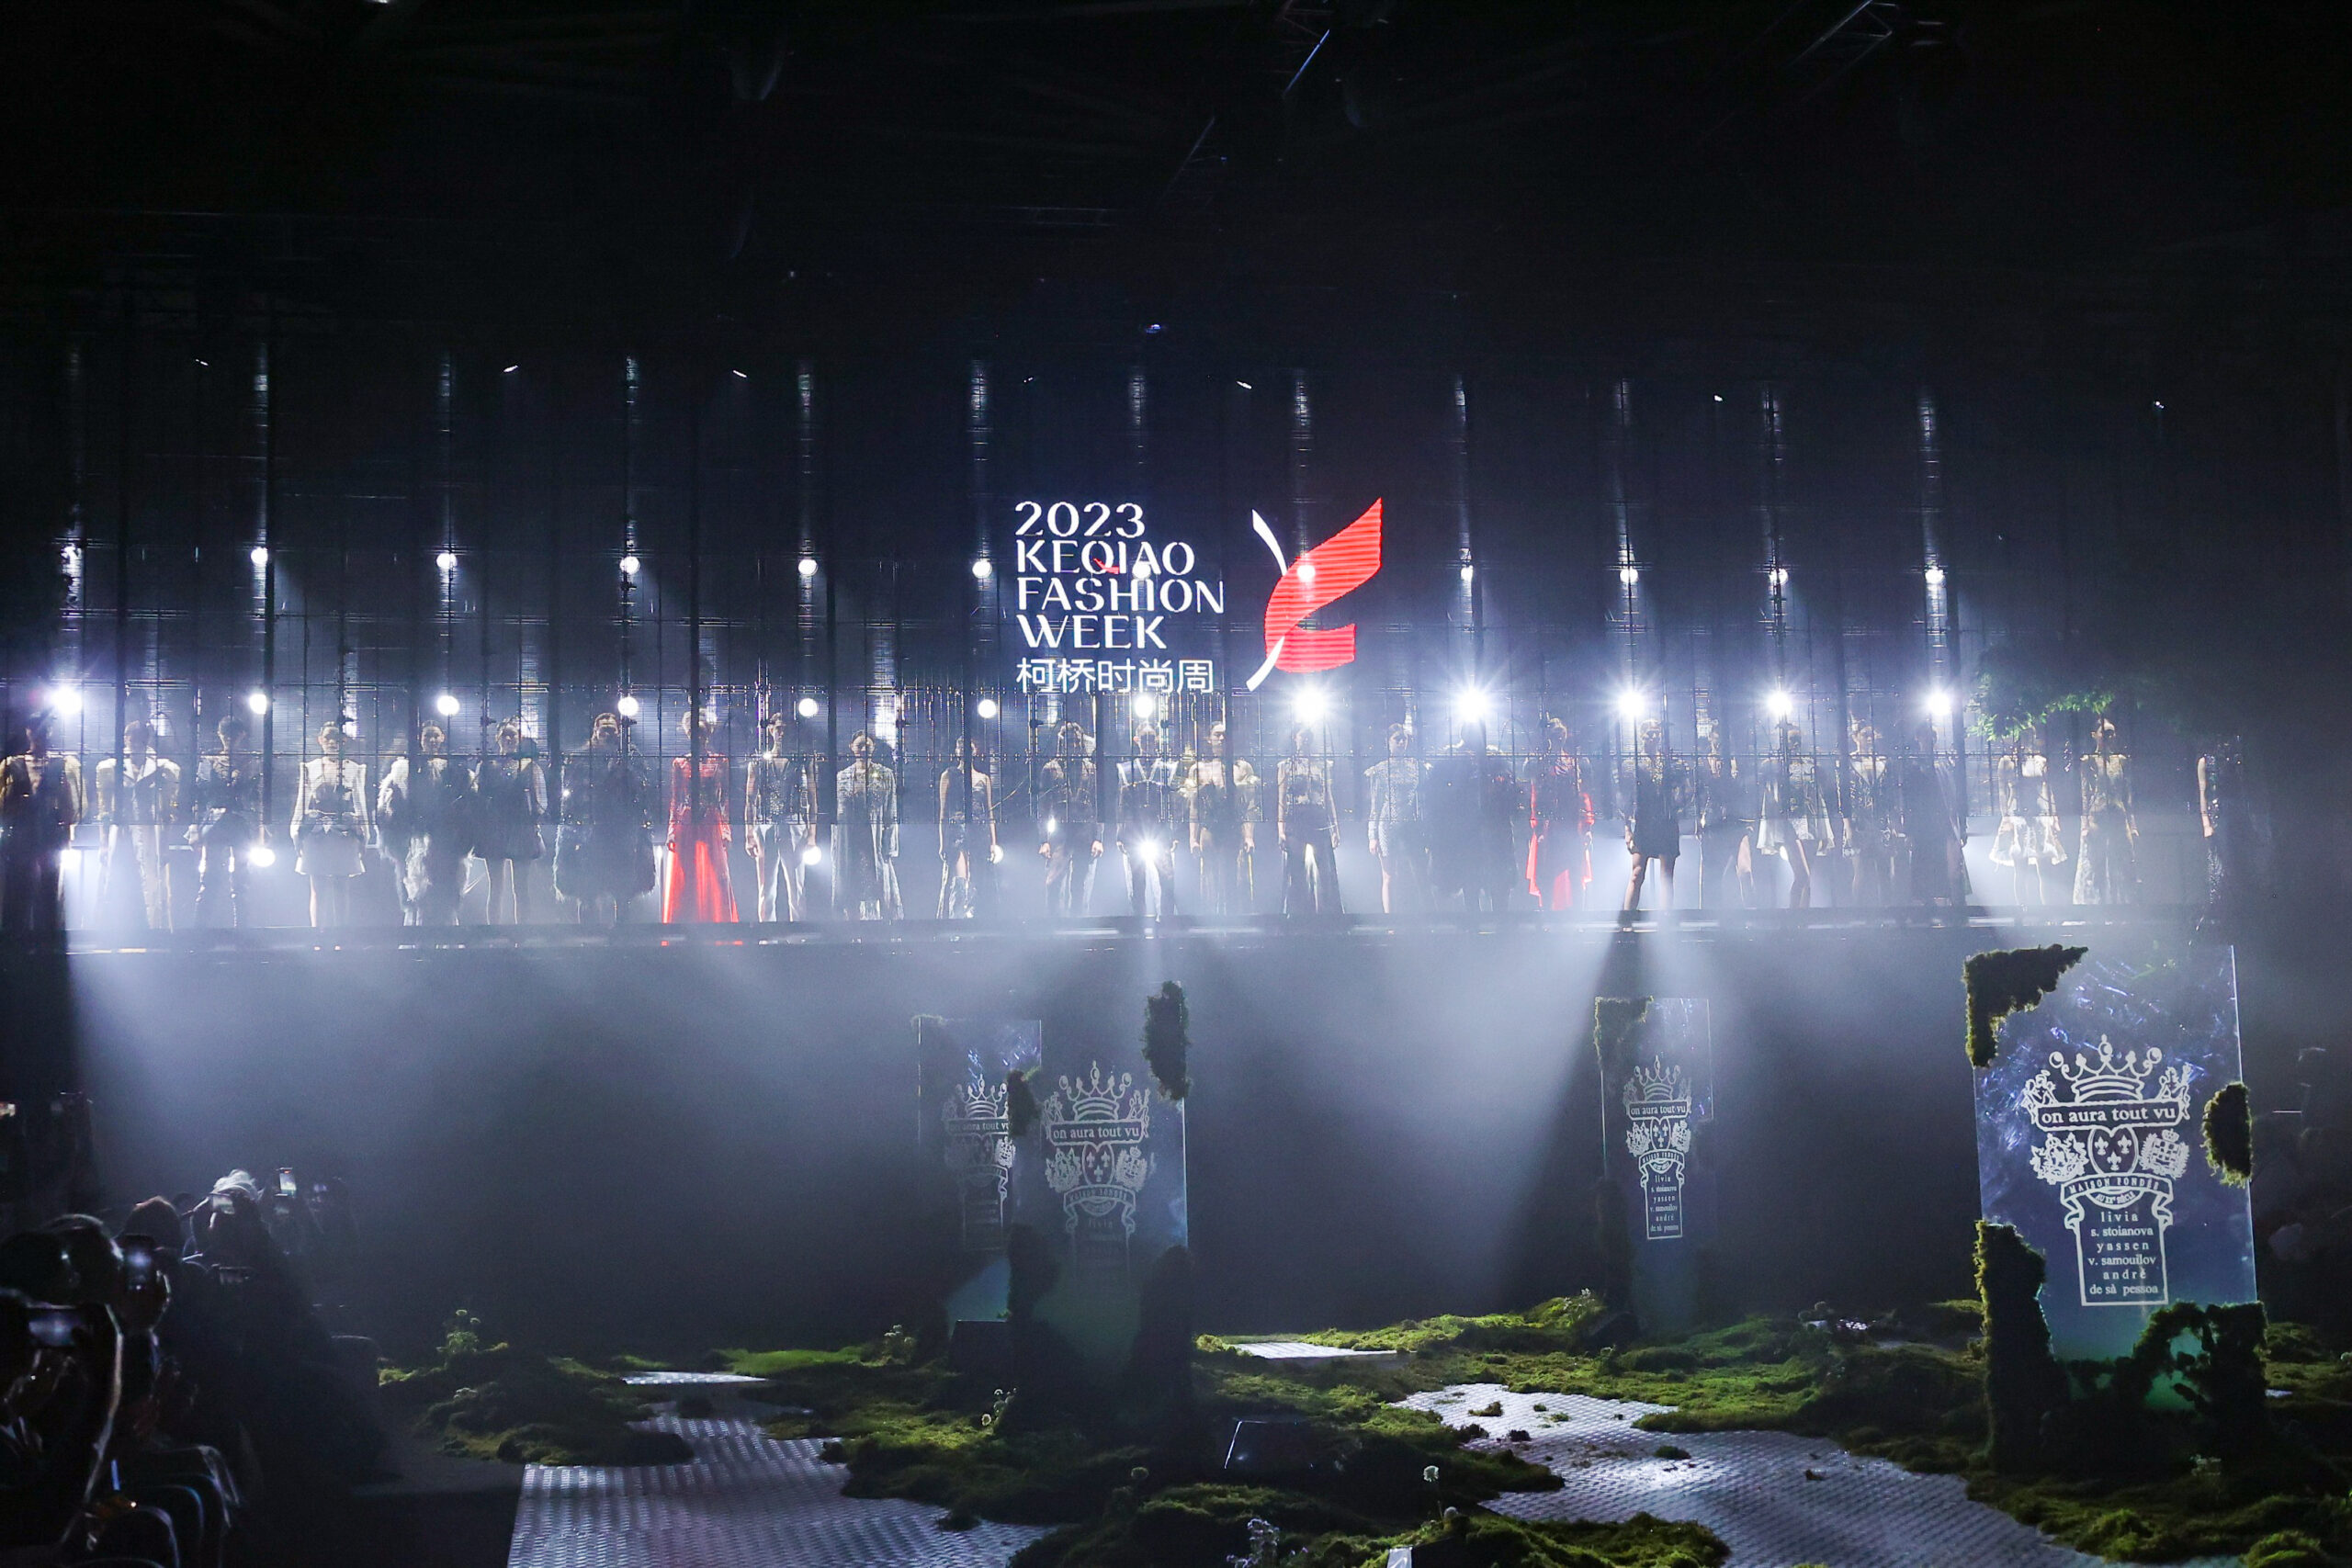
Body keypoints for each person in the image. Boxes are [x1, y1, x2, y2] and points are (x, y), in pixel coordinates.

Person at [379, 723, 473, 925]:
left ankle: (448, 933)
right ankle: (415, 933)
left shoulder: (455, 771)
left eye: (435, 736)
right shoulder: (404, 770)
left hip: (445, 841)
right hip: (415, 839)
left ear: (442, 738)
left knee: (446, 890)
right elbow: (392, 808)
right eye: (427, 736)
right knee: (415, 890)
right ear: (420, 739)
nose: (432, 740)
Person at [94, 719, 180, 931]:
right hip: (120, 831)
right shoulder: (110, 768)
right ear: (125, 739)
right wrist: (103, 842)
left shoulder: (163, 768)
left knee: (152, 881)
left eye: (140, 740)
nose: (135, 744)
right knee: (117, 879)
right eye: (131, 740)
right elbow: (104, 809)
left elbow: (167, 811)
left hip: (150, 831)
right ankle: (112, 930)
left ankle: (154, 930)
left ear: (146, 741)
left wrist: (165, 843)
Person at [0, 719, 85, 933]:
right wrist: (15, 802)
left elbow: (71, 806)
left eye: (44, 730)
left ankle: (48, 936)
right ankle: (15, 937)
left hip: (49, 834)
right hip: (21, 835)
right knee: (18, 885)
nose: (40, 735)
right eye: (36, 730)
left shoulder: (62, 765)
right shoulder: (12, 764)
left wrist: (66, 828)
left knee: (49, 886)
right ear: (28, 732)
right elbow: (3, 804)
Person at [188, 714, 264, 929]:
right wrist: (194, 828)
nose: (229, 739)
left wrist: (261, 828)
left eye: (233, 734)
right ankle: (201, 930)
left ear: (242, 735)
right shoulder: (208, 761)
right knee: (210, 876)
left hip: (241, 822)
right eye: (225, 734)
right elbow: (199, 796)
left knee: (241, 878)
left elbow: (257, 798)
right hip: (215, 822)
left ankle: (242, 930)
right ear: (220, 735)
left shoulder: (251, 762)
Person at [291, 723, 370, 928]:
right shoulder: (310, 767)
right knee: (317, 887)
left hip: (343, 831)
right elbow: (301, 801)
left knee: (341, 886)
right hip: (316, 831)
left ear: (344, 742)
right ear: (320, 740)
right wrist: (295, 832)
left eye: (337, 739)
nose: (332, 743)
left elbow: (360, 803)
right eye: (328, 738)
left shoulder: (354, 769)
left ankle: (340, 937)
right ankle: (317, 935)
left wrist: (365, 836)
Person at [663, 712, 737, 923]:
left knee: (716, 874)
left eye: (702, 733)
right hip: (686, 821)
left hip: (711, 821)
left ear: (708, 733)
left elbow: (725, 799)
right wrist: (671, 829)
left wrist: (726, 829)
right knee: (686, 874)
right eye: (693, 733)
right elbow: (675, 799)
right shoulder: (679, 763)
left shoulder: (719, 761)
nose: (698, 738)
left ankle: (718, 922)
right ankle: (684, 922)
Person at [471, 720, 548, 924]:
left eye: (512, 735)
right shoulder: (486, 765)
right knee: (495, 887)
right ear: (498, 738)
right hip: (494, 829)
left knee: (521, 888)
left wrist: (534, 820)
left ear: (519, 738)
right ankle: (494, 931)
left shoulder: (530, 766)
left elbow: (540, 799)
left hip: (521, 828)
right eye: (504, 735)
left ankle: (521, 933)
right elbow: (478, 796)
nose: (508, 738)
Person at [747, 714, 814, 922]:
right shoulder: (758, 762)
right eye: (778, 728)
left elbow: (812, 798)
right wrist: (749, 833)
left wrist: (812, 834)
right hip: (766, 825)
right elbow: (750, 800)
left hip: (794, 824)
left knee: (796, 887)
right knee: (766, 887)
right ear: (770, 730)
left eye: (786, 729)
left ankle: (798, 933)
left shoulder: (802, 761)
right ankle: (767, 933)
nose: (782, 733)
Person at [1187, 721, 1258, 916]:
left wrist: (1249, 836)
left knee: (1233, 874)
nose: (1221, 739)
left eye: (1225, 735)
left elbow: (1250, 805)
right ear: (1209, 739)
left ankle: (1235, 916)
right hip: (1209, 827)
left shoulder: (1242, 768)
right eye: (1217, 735)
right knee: (1210, 875)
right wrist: (1193, 839)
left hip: (1233, 827)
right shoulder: (1199, 769)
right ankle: (1211, 917)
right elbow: (1194, 807)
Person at [1619, 717, 1687, 916]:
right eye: (1650, 733)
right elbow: (1624, 798)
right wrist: (1627, 829)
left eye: (1657, 733)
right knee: (1637, 873)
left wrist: (1677, 805)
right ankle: (1627, 919)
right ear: (1642, 736)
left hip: (1666, 822)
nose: (1654, 737)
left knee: (1666, 876)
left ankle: (1665, 919)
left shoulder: (1669, 763)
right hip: (1644, 823)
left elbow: (1684, 789)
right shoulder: (1633, 763)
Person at [1756, 719, 1827, 908]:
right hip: (1788, 825)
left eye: (1798, 739)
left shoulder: (1810, 765)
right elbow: (1767, 790)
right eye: (1791, 739)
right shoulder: (1775, 765)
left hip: (1810, 823)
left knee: (1806, 878)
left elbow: (1818, 796)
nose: (1795, 743)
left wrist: (1823, 828)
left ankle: (1803, 916)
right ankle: (1792, 915)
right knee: (1802, 875)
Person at [1989, 729, 2066, 904]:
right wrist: (2006, 817)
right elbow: (2002, 792)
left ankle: (2047, 909)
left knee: (2044, 867)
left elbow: (2048, 789)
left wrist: (2054, 815)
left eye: (2030, 735)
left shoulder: (2041, 761)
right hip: (2018, 816)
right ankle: (2022, 908)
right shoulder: (2007, 762)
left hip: (2039, 814)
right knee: (2020, 868)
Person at [1525, 716, 1593, 911]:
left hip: (1572, 824)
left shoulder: (1573, 762)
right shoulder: (1542, 762)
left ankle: (1579, 916)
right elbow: (1536, 795)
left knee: (1575, 870)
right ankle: (1547, 914)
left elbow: (1582, 794)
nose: (1559, 738)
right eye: (1556, 734)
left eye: (1562, 734)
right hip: (1551, 825)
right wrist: (1538, 827)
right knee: (1547, 872)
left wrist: (1587, 825)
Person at [1899, 717, 1969, 905]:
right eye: (1926, 735)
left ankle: (1950, 905)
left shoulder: (1943, 765)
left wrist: (1959, 826)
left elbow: (1953, 796)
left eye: (1933, 736)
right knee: (1925, 868)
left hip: (1943, 824)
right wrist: (1909, 830)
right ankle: (1929, 906)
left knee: (1947, 868)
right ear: (1918, 738)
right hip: (1923, 827)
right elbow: (1909, 801)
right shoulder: (1913, 767)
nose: (1930, 739)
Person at [1114, 725, 1182, 918]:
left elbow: (1174, 803)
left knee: (1167, 877)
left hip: (1160, 831)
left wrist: (1174, 833)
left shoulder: (1167, 768)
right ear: (1137, 741)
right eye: (1144, 739)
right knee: (1137, 880)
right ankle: (1139, 920)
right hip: (1135, 831)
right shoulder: (1126, 769)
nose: (1148, 743)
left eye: (1151, 739)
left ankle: (1167, 919)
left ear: (1157, 740)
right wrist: (1120, 834)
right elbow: (1121, 804)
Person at [832, 731, 900, 919]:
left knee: (877, 883)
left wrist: (889, 845)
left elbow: (891, 811)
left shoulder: (885, 775)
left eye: (867, 746)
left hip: (874, 839)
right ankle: (852, 925)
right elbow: (837, 814)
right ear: (852, 748)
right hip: (850, 840)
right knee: (850, 883)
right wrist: (836, 846)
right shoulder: (842, 777)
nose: (863, 749)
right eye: (860, 745)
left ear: (874, 748)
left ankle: (878, 925)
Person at [1037, 721, 1102, 917]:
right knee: (1053, 881)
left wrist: (1098, 838)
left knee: (1079, 884)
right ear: (1062, 743)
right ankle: (1053, 923)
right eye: (1070, 741)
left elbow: (1097, 806)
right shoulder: (1050, 769)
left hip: (1084, 833)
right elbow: (1043, 808)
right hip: (1060, 833)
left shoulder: (1090, 769)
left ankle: (1077, 924)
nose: (1074, 745)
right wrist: (1044, 840)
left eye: (1077, 741)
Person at [1275, 724, 1340, 915]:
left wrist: (1335, 827)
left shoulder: (1323, 765)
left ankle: (1328, 915)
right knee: (1297, 871)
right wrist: (1280, 829)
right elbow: (1281, 799)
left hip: (1318, 818)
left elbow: (1328, 796)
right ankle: (1299, 915)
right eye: (1302, 736)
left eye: (1308, 736)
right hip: (1296, 818)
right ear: (1294, 738)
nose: (1305, 740)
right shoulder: (1286, 766)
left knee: (1325, 870)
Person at [1692, 724, 1755, 910]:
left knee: (1745, 871)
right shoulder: (1703, 763)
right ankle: (1709, 914)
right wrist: (1698, 821)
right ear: (1711, 739)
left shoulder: (1737, 761)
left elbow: (1746, 788)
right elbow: (1699, 792)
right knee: (1712, 873)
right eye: (1716, 738)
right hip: (1714, 820)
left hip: (1737, 820)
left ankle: (1751, 914)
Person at [1364, 723, 1424, 913]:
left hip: (1411, 823)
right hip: (1388, 824)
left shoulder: (1416, 766)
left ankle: (1423, 916)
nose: (1401, 742)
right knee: (1389, 875)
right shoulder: (1380, 770)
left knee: (1418, 872)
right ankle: (1390, 920)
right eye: (1397, 739)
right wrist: (1372, 835)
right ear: (1388, 741)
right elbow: (1375, 805)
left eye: (1404, 739)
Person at [936, 737, 998, 919]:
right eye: (961, 748)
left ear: (975, 751)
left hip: (979, 832)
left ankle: (974, 918)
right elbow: (943, 812)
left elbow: (990, 812)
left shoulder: (984, 779)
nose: (965, 751)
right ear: (957, 751)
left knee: (976, 878)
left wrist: (994, 843)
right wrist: (942, 842)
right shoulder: (948, 776)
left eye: (969, 748)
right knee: (960, 879)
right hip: (957, 833)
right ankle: (956, 919)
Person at [1841, 721, 1896, 906]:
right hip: (1859, 823)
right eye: (1865, 735)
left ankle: (1887, 911)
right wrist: (1848, 826)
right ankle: (1860, 912)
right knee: (1861, 871)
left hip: (1881, 822)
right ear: (1855, 737)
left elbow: (1889, 794)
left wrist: (1893, 823)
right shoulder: (1847, 762)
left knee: (1885, 871)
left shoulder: (1883, 761)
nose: (1870, 739)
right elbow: (1844, 796)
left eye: (1872, 735)